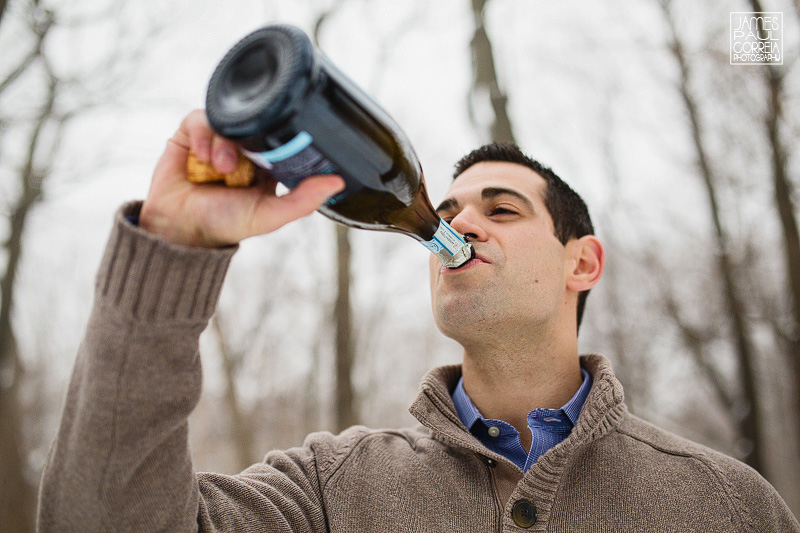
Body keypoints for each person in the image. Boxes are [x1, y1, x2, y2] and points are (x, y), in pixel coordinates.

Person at [37, 110, 799, 532]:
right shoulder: (331, 490)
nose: (459, 228)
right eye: (447, 212)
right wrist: (173, 248)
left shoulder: (728, 505)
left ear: (583, 263)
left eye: (500, 209)